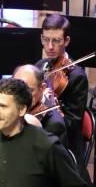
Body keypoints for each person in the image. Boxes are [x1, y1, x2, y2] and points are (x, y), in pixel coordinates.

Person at [0, 64, 67, 145]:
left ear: (42, 88)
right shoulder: (12, 106)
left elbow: (53, 166)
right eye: (16, 90)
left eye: (29, 90)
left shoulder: (55, 124)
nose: (21, 96)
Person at [35, 14, 88, 166]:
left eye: (56, 41)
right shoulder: (41, 65)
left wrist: (44, 115)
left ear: (66, 41)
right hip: (40, 135)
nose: (50, 46)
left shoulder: (76, 76)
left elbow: (72, 123)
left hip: (64, 145)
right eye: (46, 40)